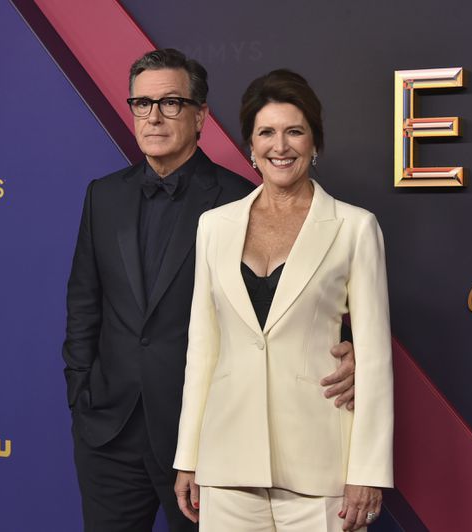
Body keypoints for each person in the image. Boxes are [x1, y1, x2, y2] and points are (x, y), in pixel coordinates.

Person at [63, 49, 359, 532]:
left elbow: (291, 308)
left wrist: (355, 352)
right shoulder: (103, 195)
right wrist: (81, 391)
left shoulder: (240, 201)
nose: (154, 117)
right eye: (142, 103)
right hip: (108, 431)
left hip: (204, 441)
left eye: (171, 103)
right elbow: (83, 303)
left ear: (201, 115)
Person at [173, 69, 394, 532]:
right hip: (227, 465)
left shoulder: (355, 227)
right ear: (250, 147)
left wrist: (367, 472)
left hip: (320, 470)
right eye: (266, 133)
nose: (281, 145)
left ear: (315, 144)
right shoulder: (214, 226)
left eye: (295, 131)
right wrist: (189, 456)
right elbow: (202, 351)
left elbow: (373, 359)